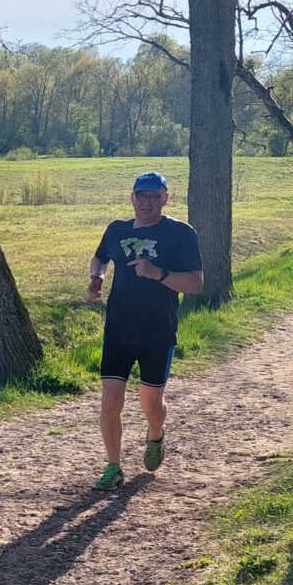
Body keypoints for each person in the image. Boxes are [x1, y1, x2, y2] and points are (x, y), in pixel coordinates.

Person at [87, 171, 204, 491]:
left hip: (157, 333)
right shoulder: (117, 229)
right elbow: (99, 259)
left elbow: (196, 283)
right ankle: (114, 466)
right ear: (132, 198)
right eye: (141, 196)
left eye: (153, 196)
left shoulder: (180, 233)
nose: (146, 202)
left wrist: (158, 274)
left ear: (165, 199)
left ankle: (155, 434)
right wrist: (97, 277)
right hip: (118, 330)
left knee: (151, 404)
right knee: (110, 402)